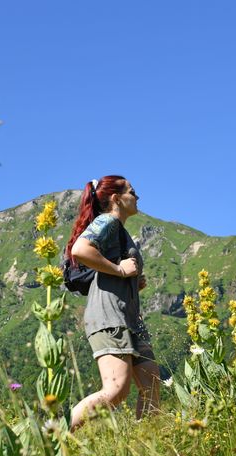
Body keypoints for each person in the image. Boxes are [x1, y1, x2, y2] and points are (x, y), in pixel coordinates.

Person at [65, 176, 160, 430]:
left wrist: (132, 280)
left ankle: (148, 447)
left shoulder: (120, 229)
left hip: (129, 317)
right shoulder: (107, 221)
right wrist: (119, 270)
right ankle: (57, 436)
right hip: (110, 316)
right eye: (132, 191)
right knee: (116, 389)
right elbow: (80, 250)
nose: (137, 197)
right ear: (117, 199)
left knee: (151, 383)